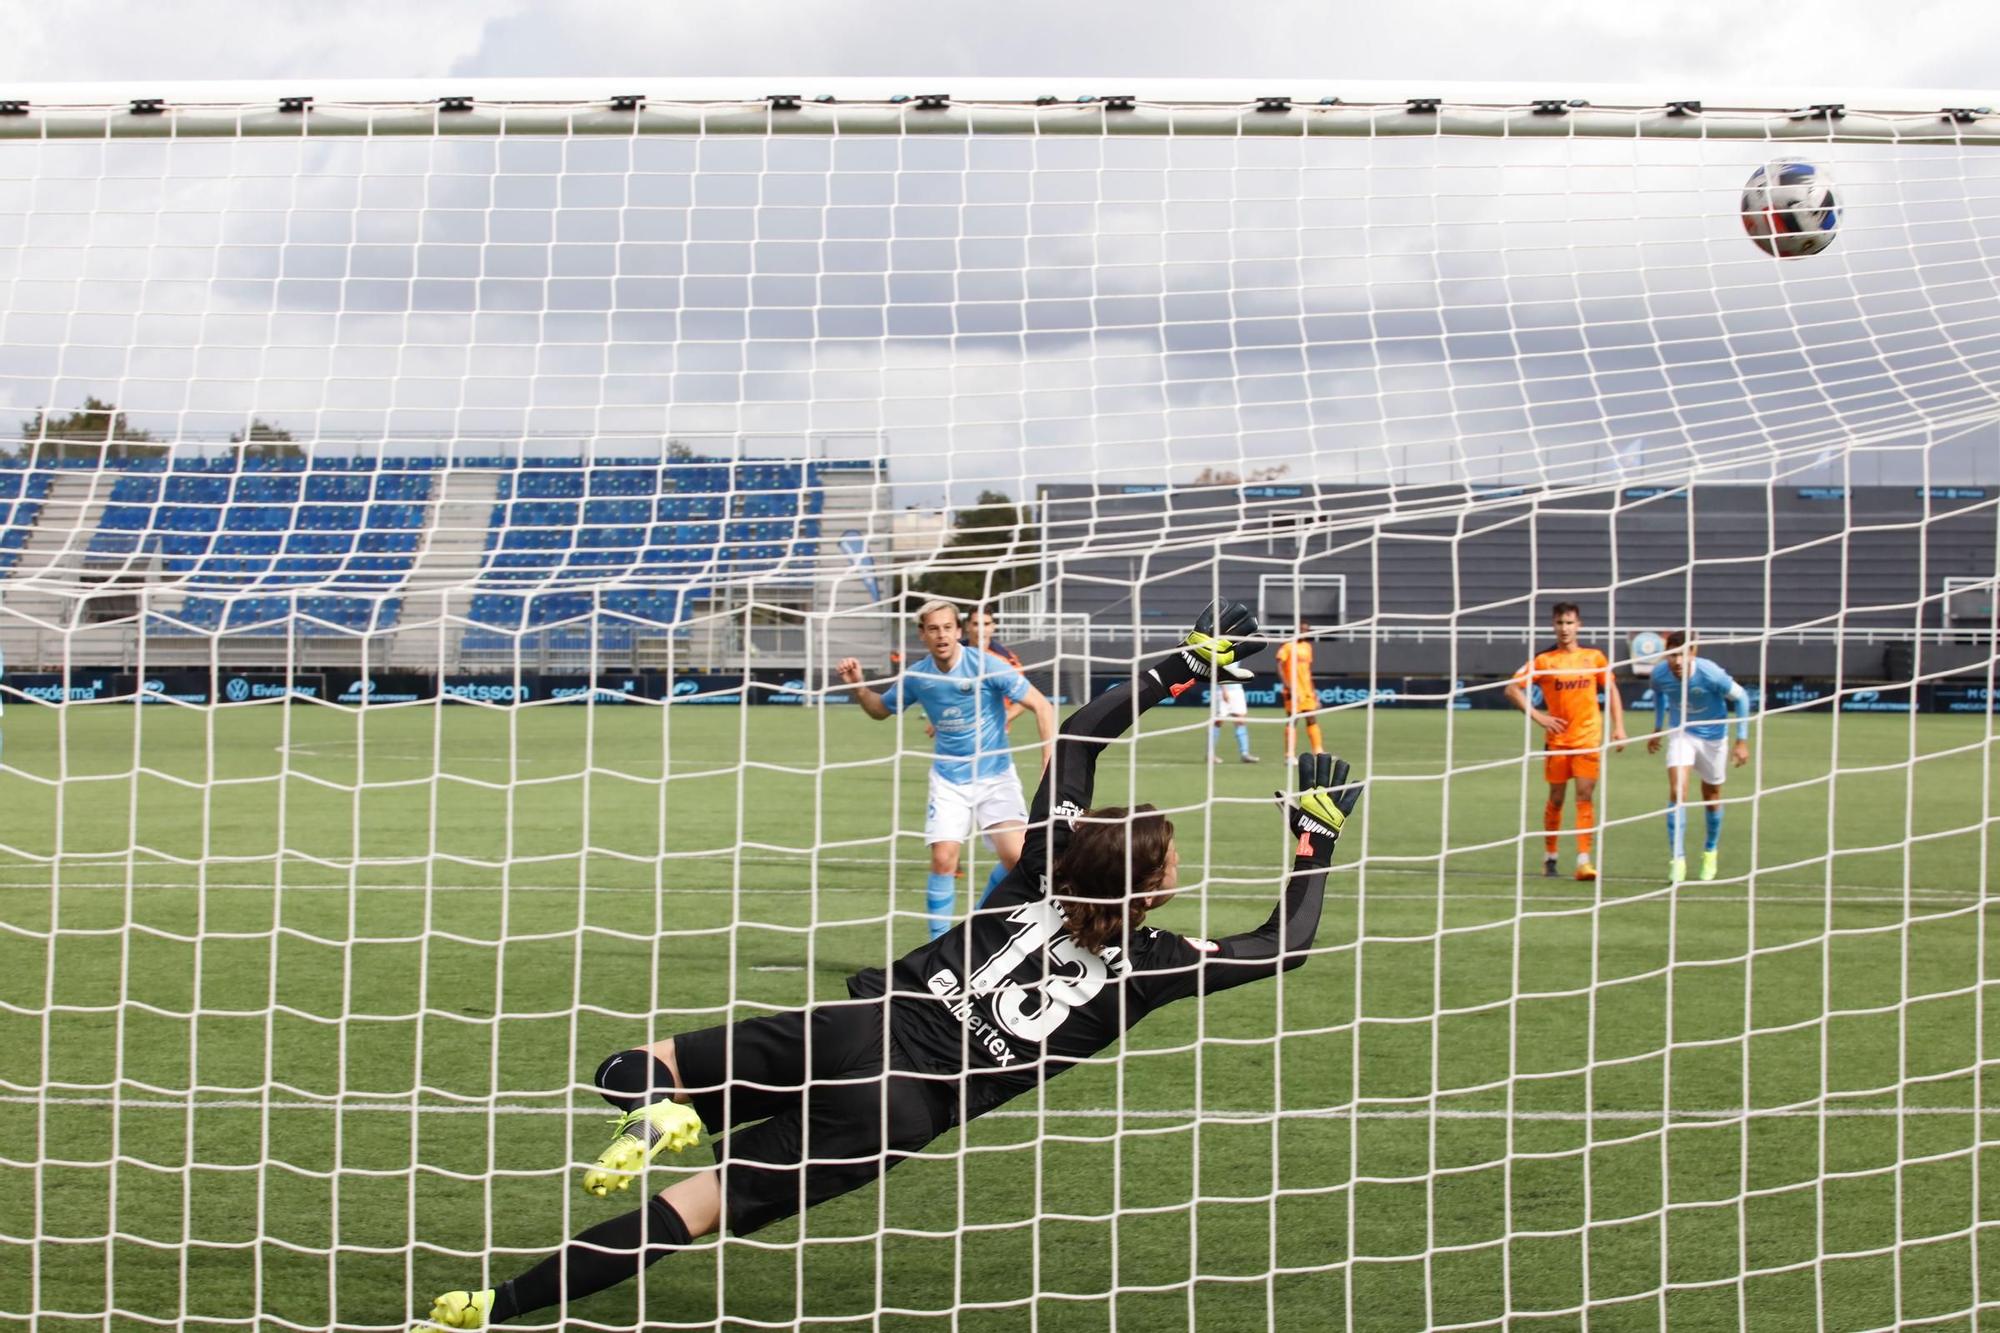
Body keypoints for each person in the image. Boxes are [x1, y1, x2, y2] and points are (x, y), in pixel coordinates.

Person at [413, 602, 1365, 1331]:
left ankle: (658, 1109)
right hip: (903, 1110)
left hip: (863, 1028)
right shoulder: (1150, 963)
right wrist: (1311, 844)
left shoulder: (1037, 864)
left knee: (635, 1066)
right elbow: (1280, 946)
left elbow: (1079, 733)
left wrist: (1183, 663)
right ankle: (493, 1308)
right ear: (1152, 895)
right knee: (691, 1210)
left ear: (1071, 851)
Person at [837, 600, 1057, 938]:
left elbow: (1042, 706)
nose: (941, 635)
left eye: (947, 628)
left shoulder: (987, 665)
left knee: (1018, 860)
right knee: (944, 859)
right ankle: (937, 948)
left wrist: (1048, 764)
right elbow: (880, 710)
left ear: (958, 631)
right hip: (949, 780)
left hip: (995, 777)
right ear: (922, 635)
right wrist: (858, 687)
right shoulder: (917, 676)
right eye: (933, 629)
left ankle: (976, 928)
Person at [1505, 601, 1627, 882]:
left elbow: (1611, 690)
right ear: (1553, 626)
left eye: (1570, 623)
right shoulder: (1544, 661)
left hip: (1588, 738)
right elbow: (1511, 689)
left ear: (1579, 625)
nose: (1565, 629)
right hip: (1558, 741)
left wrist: (1619, 727)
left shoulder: (1595, 657)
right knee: (1557, 799)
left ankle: (1584, 861)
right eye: (1560, 623)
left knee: (1585, 795)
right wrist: (1539, 717)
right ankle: (1550, 856)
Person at [1646, 631, 1752, 882]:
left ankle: (1710, 851)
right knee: (1678, 793)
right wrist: (1658, 727)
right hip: (1682, 734)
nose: (1678, 661)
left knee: (1711, 796)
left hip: (1714, 738)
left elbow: (1742, 698)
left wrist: (1742, 741)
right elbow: (1659, 694)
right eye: (1672, 655)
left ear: (1693, 654)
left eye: (1683, 655)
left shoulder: (1710, 673)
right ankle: (1678, 860)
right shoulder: (1659, 674)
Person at [1275, 620, 1322, 760]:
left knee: (1312, 719)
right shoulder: (1288, 646)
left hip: (1307, 690)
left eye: (1306, 630)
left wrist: (1314, 693)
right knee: (1292, 720)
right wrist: (1287, 685)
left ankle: (1318, 751)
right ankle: (1289, 755)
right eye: (1301, 629)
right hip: (1293, 690)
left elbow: (1307, 672)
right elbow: (1279, 665)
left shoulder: (1307, 647)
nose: (1304, 632)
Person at [1208, 677, 1259, 764]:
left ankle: (1245, 754)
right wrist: (1224, 689)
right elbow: (1218, 671)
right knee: (1218, 722)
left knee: (1241, 721)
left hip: (1237, 690)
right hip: (1222, 691)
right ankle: (1210, 754)